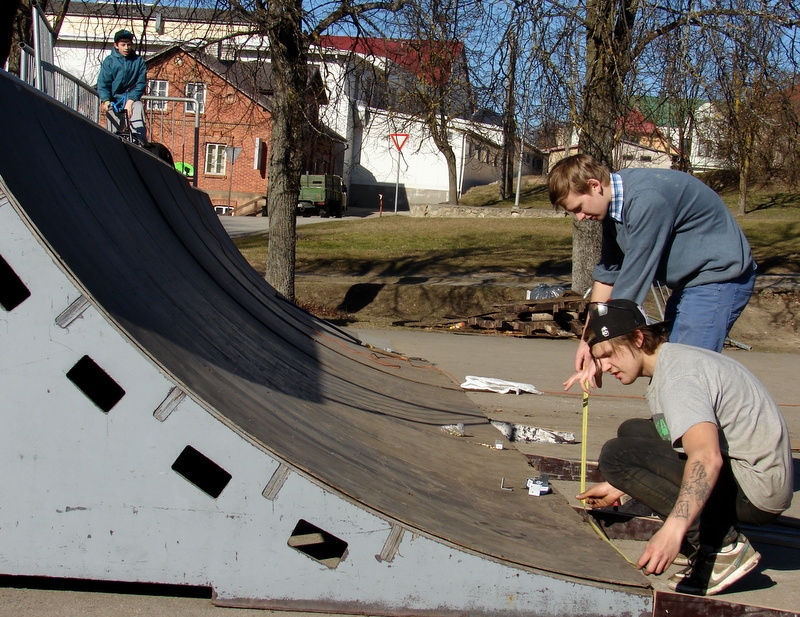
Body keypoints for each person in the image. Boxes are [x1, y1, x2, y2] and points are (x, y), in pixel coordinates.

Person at [576, 299, 792, 596]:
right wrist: (623, 486)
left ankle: (722, 548)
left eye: (609, 354)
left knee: (617, 454)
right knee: (633, 432)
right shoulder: (670, 365)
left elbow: (706, 457)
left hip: (756, 491)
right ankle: (712, 539)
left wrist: (674, 530)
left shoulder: (679, 378)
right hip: (749, 474)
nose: (606, 366)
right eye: (599, 359)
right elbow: (673, 445)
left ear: (639, 338)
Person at [548, 154, 756, 392]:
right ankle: (675, 425)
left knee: (686, 373)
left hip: (719, 279)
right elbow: (608, 274)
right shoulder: (614, 206)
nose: (580, 218)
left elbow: (631, 284)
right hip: (689, 285)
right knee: (669, 366)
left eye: (579, 208)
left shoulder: (647, 199)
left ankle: (693, 426)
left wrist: (601, 345)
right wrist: (588, 339)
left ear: (594, 185)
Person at [97, 29, 147, 142]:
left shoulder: (138, 61)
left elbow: (140, 84)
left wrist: (130, 101)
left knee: (138, 107)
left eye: (129, 44)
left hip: (131, 99)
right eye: (123, 45)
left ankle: (139, 140)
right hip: (114, 101)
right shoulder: (109, 62)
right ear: (116, 45)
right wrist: (106, 100)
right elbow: (103, 83)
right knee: (113, 131)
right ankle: (112, 144)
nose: (126, 48)